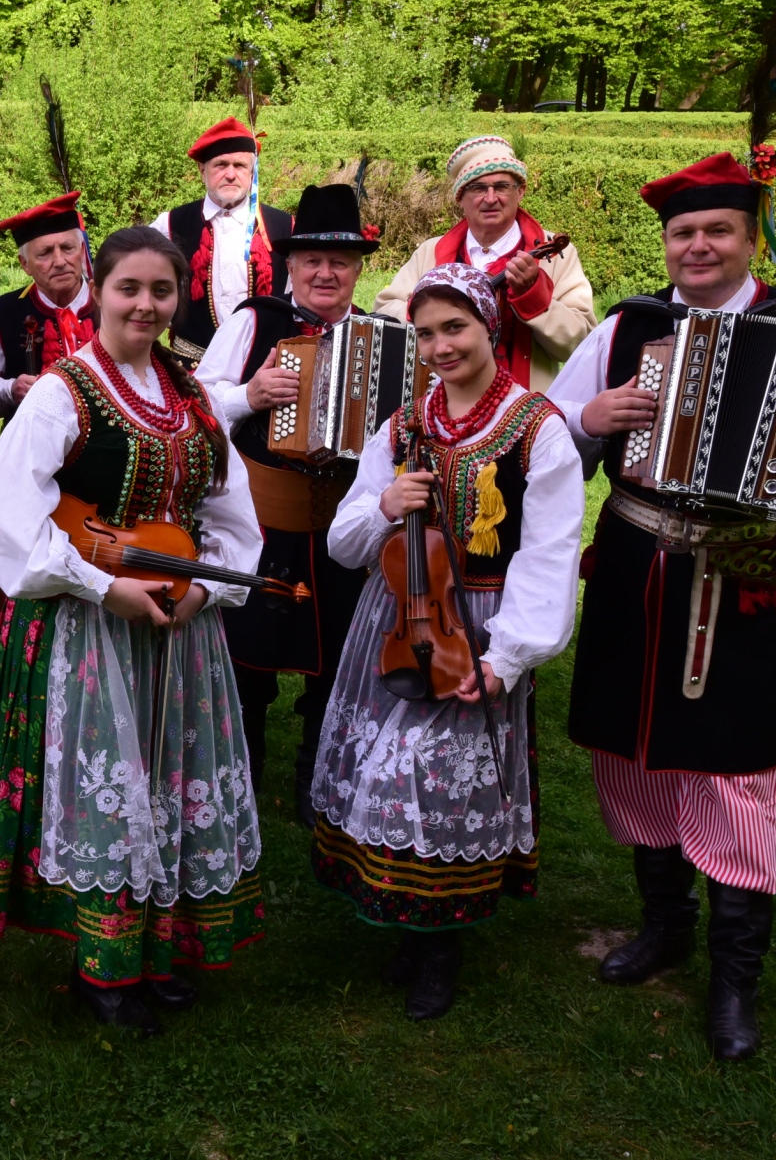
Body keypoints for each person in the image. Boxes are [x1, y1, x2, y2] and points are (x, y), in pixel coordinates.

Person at [547, 152, 776, 1060]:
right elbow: (545, 443)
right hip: (639, 567)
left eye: (719, 230)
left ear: (752, 240)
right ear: (667, 244)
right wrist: (590, 420)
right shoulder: (627, 328)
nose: (699, 246)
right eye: (684, 232)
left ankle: (735, 979)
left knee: (739, 768)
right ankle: (665, 926)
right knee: (635, 751)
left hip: (747, 576)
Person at [0, 226, 265, 1036]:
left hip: (177, 627)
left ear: (178, 299)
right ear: (100, 291)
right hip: (83, 626)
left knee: (166, 779)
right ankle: (105, 964)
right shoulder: (64, 391)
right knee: (103, 787)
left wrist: (206, 587)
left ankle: (158, 948)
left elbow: (232, 516)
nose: (145, 305)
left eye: (161, 291)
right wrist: (101, 585)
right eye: (129, 288)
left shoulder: (192, 395)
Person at [310, 262, 584, 1022]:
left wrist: (507, 657)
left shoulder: (537, 429)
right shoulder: (403, 426)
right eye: (426, 333)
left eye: (455, 327)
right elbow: (344, 541)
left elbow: (549, 553)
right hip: (398, 616)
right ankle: (407, 921)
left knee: (437, 780)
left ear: (490, 327)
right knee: (385, 768)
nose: (440, 346)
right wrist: (384, 503)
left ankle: (440, 946)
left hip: (481, 628)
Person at [194, 184, 379, 820]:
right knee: (249, 655)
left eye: (340, 262)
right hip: (264, 522)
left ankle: (317, 780)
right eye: (312, 261)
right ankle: (239, 778)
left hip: (343, 527)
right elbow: (196, 403)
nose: (326, 273)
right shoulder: (256, 321)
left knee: (338, 658)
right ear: (292, 265)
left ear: (357, 269)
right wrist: (250, 395)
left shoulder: (381, 336)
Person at [372, 135, 597, 391]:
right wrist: (428, 312)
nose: (490, 198)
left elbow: (580, 343)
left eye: (502, 187)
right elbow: (385, 311)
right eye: (478, 188)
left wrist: (534, 297)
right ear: (460, 198)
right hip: (441, 402)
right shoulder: (431, 251)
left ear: (520, 191)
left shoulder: (551, 255)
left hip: (524, 405)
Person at [151, 117, 294, 367]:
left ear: (252, 172)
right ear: (202, 170)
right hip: (190, 372)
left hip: (265, 369)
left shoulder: (286, 227)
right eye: (221, 165)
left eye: (240, 165)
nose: (230, 174)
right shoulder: (169, 225)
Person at [0, 191, 94, 415]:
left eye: (67, 248)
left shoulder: (112, 303)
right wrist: (9, 390)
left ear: (81, 250)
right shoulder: (2, 313)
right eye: (45, 253)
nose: (59, 261)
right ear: (25, 264)